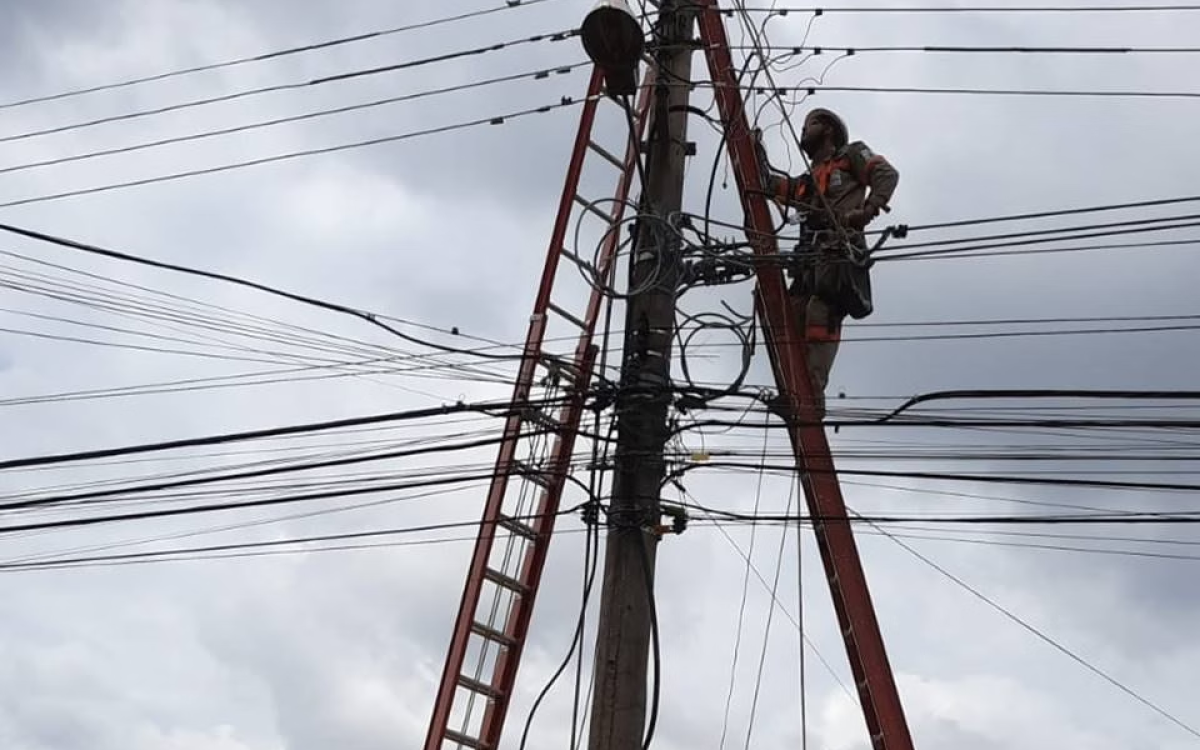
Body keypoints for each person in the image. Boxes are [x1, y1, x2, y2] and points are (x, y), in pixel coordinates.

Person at [752, 108, 899, 420]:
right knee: (787, 314)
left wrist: (868, 211)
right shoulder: (808, 182)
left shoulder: (851, 155)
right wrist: (757, 154)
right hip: (809, 262)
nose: (804, 130)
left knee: (820, 315)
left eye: (811, 124)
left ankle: (811, 399)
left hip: (836, 257)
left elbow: (886, 174)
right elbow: (774, 187)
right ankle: (792, 393)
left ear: (829, 130)